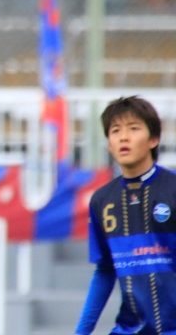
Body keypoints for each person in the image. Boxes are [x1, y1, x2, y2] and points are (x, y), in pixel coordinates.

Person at [74, 96, 176, 335]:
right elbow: (105, 270)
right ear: (109, 144)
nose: (123, 137)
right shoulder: (101, 201)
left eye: (133, 128)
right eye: (115, 130)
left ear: (153, 139)